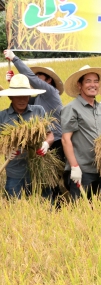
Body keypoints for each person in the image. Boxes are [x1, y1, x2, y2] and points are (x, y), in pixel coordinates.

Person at [4, 50, 65, 201]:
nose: (34, 79)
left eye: (38, 77)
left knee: (50, 189)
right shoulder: (6, 115)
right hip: (17, 168)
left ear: (48, 80)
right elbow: (16, 99)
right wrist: (12, 83)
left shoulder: (47, 97)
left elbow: (49, 133)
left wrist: (14, 58)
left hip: (48, 153)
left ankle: (57, 211)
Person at [60, 65, 101, 199]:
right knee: (80, 211)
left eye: (96, 81)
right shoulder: (72, 108)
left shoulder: (100, 108)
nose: (93, 85)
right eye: (88, 81)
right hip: (82, 170)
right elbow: (65, 139)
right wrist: (74, 167)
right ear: (79, 85)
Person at [0, 75, 52, 198]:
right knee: (14, 210)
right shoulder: (2, 116)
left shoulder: (38, 111)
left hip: (39, 172)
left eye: (25, 96)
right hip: (14, 174)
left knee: (45, 208)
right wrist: (5, 150)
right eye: (18, 96)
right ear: (11, 97)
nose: (22, 99)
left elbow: (49, 134)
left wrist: (46, 144)